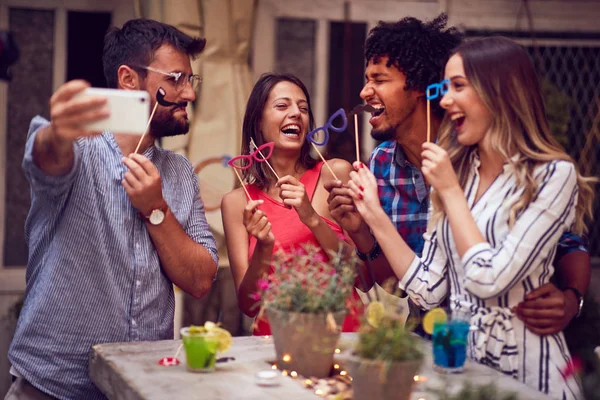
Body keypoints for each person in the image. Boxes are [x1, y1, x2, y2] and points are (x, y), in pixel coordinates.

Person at [346, 36, 595, 399]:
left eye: (458, 87)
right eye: (445, 88)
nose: (444, 100)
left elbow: (489, 278)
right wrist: (373, 213)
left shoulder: (553, 175)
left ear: (501, 92)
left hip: (532, 380)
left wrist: (448, 191)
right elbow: (428, 291)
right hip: (466, 379)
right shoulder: (456, 172)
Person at [6, 19, 218, 400]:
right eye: (175, 78)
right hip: (52, 387)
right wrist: (58, 132)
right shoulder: (78, 148)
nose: (188, 92)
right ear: (128, 79)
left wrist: (156, 210)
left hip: (140, 388)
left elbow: (201, 280)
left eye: (191, 80)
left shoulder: (181, 173)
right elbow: (47, 154)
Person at [221, 73, 360, 335]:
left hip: (344, 337)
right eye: (283, 106)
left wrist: (313, 219)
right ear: (258, 122)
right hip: (276, 343)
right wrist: (264, 248)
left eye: (303, 108)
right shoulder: (237, 202)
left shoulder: (336, 173)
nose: (296, 113)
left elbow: (361, 278)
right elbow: (249, 305)